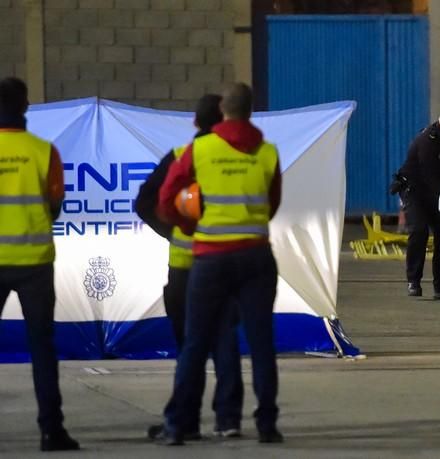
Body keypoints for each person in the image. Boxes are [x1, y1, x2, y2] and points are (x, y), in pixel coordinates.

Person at [156, 83, 283, 445]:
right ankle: (267, 425)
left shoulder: (200, 149)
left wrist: (190, 224)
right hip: (257, 257)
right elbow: (272, 204)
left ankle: (178, 425)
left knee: (195, 341)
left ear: (223, 111)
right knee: (261, 342)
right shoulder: (268, 153)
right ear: (251, 111)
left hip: (211, 257)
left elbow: (166, 198)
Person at [135, 94, 244, 440]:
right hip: (227, 264)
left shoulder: (180, 157)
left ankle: (187, 421)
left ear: (195, 123)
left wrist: (173, 232)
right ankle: (228, 420)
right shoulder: (239, 158)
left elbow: (144, 202)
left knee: (190, 348)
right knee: (224, 342)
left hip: (185, 267)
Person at [0, 77, 79, 451]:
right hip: (35, 261)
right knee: (42, 349)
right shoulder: (45, 151)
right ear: (25, 107)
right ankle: (52, 431)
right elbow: (54, 206)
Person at [395, 104, 440, 300]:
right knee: (419, 230)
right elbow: (428, 175)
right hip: (416, 190)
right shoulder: (427, 140)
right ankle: (413, 281)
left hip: (439, 190)